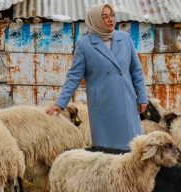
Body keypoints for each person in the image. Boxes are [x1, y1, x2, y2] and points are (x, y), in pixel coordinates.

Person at [46, 4, 148, 150]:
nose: (110, 20)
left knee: (132, 149)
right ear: (95, 21)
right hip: (103, 106)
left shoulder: (124, 38)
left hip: (127, 101)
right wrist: (60, 103)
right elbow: (74, 76)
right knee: (107, 152)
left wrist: (142, 97)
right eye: (105, 17)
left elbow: (136, 70)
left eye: (112, 15)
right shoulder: (85, 44)